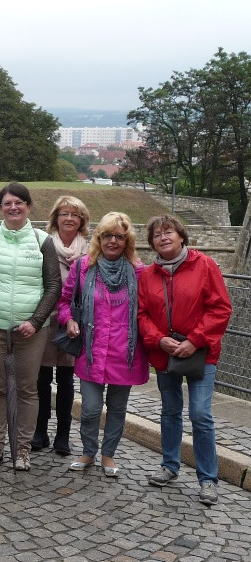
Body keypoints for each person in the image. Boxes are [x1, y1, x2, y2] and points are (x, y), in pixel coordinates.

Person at [139, 215, 232, 506]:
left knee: (200, 414)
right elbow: (141, 314)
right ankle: (169, 465)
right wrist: (158, 340)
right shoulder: (148, 274)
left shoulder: (204, 265)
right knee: (169, 410)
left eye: (169, 232)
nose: (163, 237)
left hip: (201, 352)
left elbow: (220, 309)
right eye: (156, 235)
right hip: (165, 353)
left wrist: (195, 340)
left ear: (182, 236)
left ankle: (207, 480)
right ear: (151, 242)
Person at [0, 182, 60, 471]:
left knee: (27, 389)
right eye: (8, 203)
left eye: (19, 203)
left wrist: (35, 322)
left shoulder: (42, 241)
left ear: (29, 206)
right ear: (1, 207)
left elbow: (53, 285)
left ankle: (22, 448)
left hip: (31, 330)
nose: (13, 208)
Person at [59, 212, 148, 476]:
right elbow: (65, 302)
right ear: (99, 237)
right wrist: (68, 322)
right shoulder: (83, 267)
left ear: (127, 240)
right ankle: (89, 452)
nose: (113, 241)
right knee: (90, 409)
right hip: (91, 351)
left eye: (119, 236)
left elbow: (149, 309)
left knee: (118, 409)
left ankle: (108, 454)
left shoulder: (139, 271)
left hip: (126, 353)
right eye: (107, 235)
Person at [33, 196, 91, 456]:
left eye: (75, 215)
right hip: (46, 317)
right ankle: (40, 431)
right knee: (42, 378)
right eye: (64, 213)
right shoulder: (42, 244)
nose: (69, 218)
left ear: (82, 221)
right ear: (55, 218)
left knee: (67, 379)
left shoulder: (90, 251)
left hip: (74, 321)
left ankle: (63, 435)